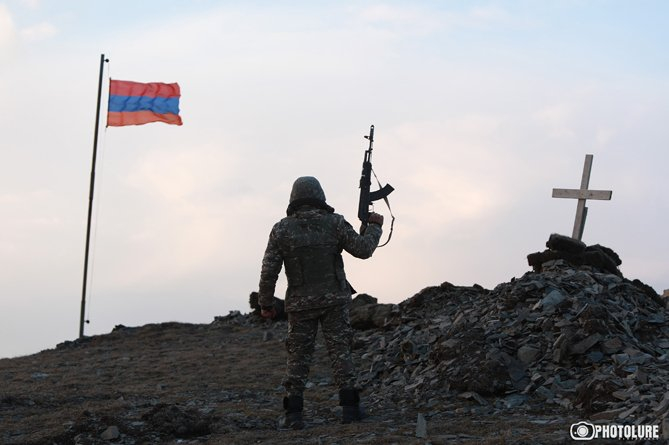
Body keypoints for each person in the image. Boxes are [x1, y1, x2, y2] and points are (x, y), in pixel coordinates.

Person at [257, 176, 384, 430]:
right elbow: (362, 249)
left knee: (298, 359)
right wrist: (374, 226)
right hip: (335, 301)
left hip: (300, 305)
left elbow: (269, 271)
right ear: (320, 196)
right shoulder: (335, 223)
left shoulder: (281, 229)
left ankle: (293, 414)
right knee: (341, 354)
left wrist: (266, 304)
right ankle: (350, 409)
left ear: (294, 198)